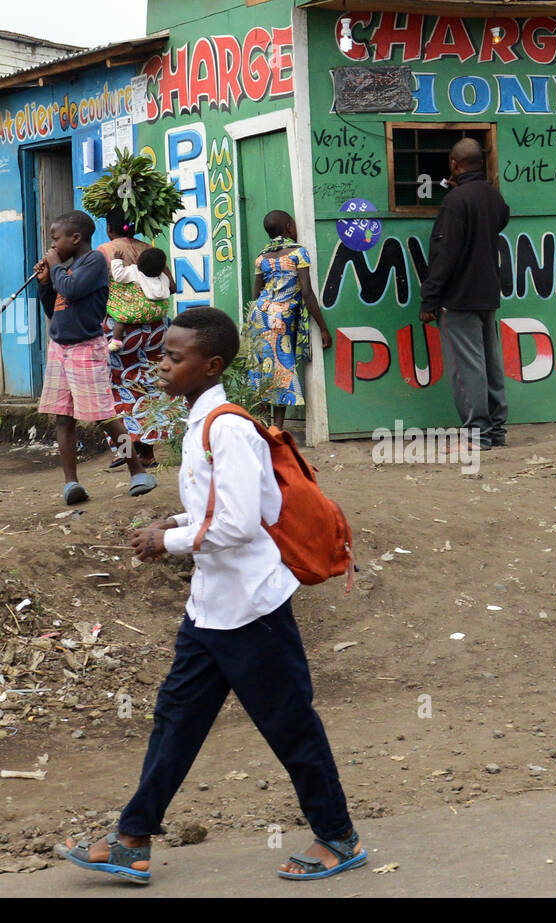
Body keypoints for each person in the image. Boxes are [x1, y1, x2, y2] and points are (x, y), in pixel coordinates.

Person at [60, 306, 365, 885]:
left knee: (290, 726)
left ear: (212, 365)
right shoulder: (201, 420)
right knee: (175, 721)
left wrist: (167, 540)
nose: (162, 365)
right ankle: (132, 839)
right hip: (211, 610)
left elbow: (241, 523)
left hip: (253, 611)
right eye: (164, 354)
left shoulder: (225, 426)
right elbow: (214, 509)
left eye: (175, 358)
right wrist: (172, 521)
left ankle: (339, 837)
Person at [35, 209, 156, 503]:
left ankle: (137, 471)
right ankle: (71, 483)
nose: (52, 246)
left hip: (86, 349)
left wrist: (57, 268)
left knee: (104, 416)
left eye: (56, 239)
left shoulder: (93, 262)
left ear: (76, 238)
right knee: (62, 417)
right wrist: (44, 283)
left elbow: (73, 290)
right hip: (59, 348)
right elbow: (55, 309)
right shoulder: (67, 268)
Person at [419, 138, 511, 451]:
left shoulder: (455, 202)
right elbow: (497, 220)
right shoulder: (493, 197)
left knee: (466, 367)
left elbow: (444, 253)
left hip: (459, 297)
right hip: (487, 293)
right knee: (490, 363)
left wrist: (430, 299)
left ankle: (477, 436)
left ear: (454, 165)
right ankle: (496, 432)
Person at [98, 209, 176, 470]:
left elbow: (99, 288)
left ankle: (125, 450)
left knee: (118, 387)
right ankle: (149, 453)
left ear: (110, 228)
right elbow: (172, 285)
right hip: (155, 330)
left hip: (123, 328)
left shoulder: (105, 251)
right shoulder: (149, 249)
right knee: (151, 384)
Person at [244, 210, 331, 430]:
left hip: (259, 315)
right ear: (290, 228)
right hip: (280, 319)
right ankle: (277, 429)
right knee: (282, 368)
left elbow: (256, 295)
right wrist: (323, 328)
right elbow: (308, 293)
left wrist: (250, 323)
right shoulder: (298, 253)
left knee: (261, 369)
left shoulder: (262, 257)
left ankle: (262, 427)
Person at [108, 246, 171, 352]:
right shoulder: (163, 277)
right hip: (158, 312)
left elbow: (118, 276)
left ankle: (116, 341)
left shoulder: (134, 271)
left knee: (120, 316)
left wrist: (117, 260)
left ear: (139, 262)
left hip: (140, 311)